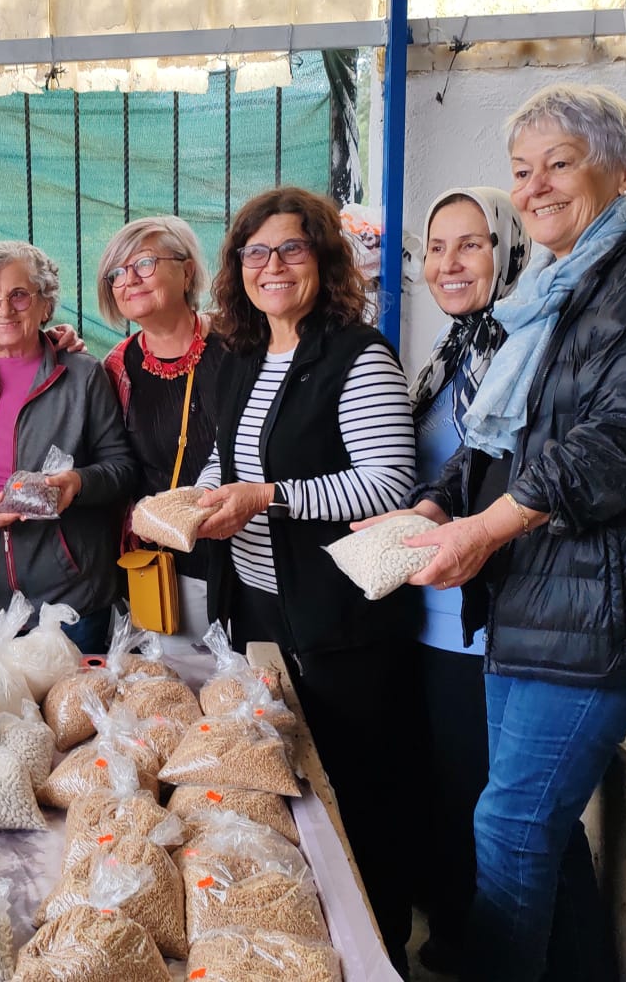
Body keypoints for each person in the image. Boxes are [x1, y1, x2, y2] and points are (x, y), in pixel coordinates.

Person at [370, 84, 626, 982]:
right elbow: (500, 439)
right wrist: (432, 504)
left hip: (609, 611)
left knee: (508, 826)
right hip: (540, 605)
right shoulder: (551, 290)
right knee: (531, 825)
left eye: (559, 164)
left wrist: (486, 530)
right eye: (522, 170)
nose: (534, 188)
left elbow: (618, 442)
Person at [191, 185, 419, 968]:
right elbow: (232, 458)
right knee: (288, 789)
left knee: (357, 794)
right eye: (256, 253)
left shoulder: (358, 355)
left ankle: (379, 949)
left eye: (291, 248)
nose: (273, 266)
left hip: (339, 622)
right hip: (258, 606)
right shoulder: (240, 355)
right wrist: (196, 497)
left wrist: (269, 498)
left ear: (322, 258)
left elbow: (390, 483)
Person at [403, 187, 530, 974]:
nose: (450, 264)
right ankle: (451, 932)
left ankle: (489, 950)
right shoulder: (450, 355)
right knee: (446, 787)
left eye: (472, 244)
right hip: (426, 611)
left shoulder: (522, 352)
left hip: (486, 617)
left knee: (487, 800)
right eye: (437, 248)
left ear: (509, 250)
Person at [0, 241, 137, 651]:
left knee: (71, 714)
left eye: (19, 295)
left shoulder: (84, 375)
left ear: (45, 305)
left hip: (70, 595)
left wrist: (75, 484)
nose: (4, 310)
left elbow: (122, 467)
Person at [97, 216, 218, 627]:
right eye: (117, 272)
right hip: (158, 559)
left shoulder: (240, 346)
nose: (129, 279)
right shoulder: (116, 367)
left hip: (240, 549)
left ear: (186, 271)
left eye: (145, 263)